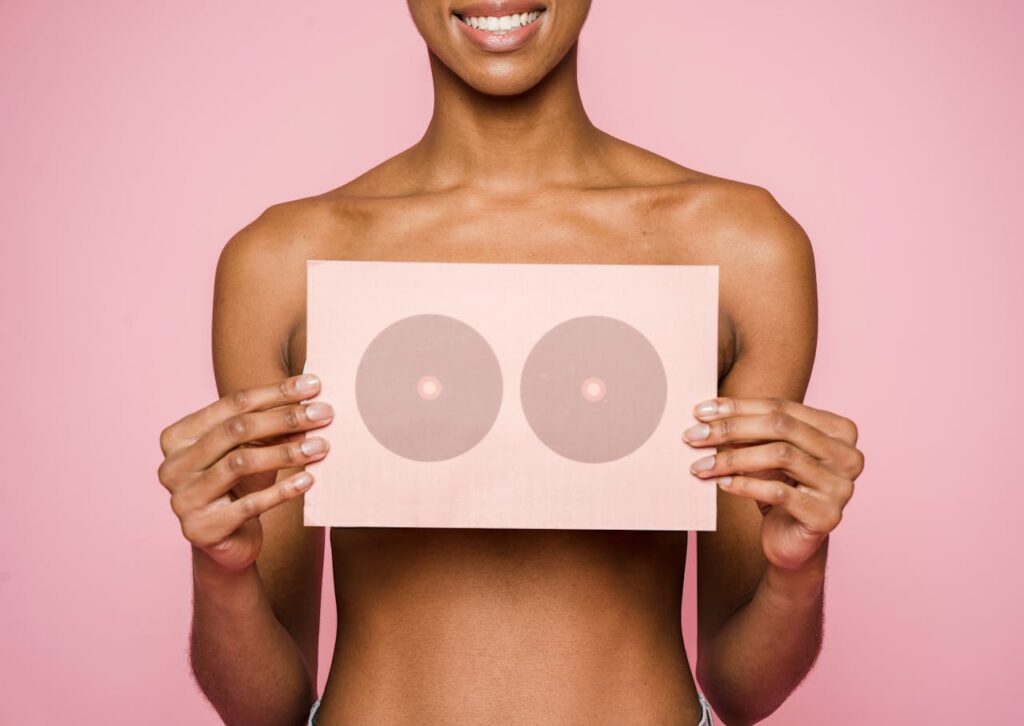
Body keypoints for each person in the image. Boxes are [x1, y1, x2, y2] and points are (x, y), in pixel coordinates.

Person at [156, 2, 865, 724]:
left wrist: (795, 572)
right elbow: (264, 709)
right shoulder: (282, 264)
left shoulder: (739, 249)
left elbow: (743, 688)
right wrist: (222, 572)